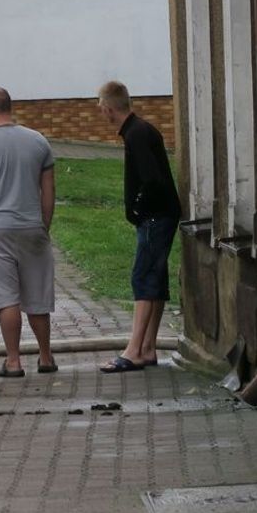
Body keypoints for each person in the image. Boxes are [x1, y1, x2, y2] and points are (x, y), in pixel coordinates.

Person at [96, 80, 182, 373]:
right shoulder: (140, 130)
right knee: (154, 278)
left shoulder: (136, 134)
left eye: (101, 107)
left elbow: (152, 180)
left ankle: (133, 351)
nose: (101, 112)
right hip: (162, 214)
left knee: (143, 277)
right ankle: (147, 348)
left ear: (108, 108)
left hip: (155, 216)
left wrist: (136, 207)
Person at [0, 87, 58, 378]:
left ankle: (13, 361)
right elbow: (49, 190)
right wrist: (44, 224)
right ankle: (45, 357)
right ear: (10, 107)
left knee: (6, 298)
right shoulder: (38, 141)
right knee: (37, 297)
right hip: (32, 226)